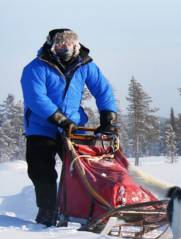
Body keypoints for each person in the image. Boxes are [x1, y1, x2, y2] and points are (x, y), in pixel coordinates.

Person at [21, 28, 118, 227]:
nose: (65, 48)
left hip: (75, 127)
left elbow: (103, 89)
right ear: (51, 45)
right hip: (42, 127)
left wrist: (108, 116)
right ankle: (47, 211)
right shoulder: (36, 67)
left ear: (77, 45)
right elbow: (36, 99)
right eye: (60, 44)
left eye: (69, 44)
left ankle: (86, 211)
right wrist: (61, 121)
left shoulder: (86, 65)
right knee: (42, 171)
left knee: (81, 170)